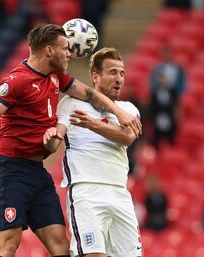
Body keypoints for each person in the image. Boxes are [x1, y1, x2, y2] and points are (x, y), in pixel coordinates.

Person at [0, 24, 141, 257]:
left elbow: (90, 94)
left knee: (60, 246)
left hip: (36, 171)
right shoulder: (16, 81)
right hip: (9, 169)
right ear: (50, 51)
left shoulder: (57, 78)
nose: (70, 54)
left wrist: (119, 112)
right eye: (65, 48)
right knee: (8, 243)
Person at [43, 47, 142, 257]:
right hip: (86, 192)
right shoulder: (70, 104)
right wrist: (51, 138)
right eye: (113, 72)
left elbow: (127, 137)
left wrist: (92, 124)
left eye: (122, 73)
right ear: (95, 76)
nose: (119, 79)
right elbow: (54, 142)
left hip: (120, 192)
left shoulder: (128, 109)